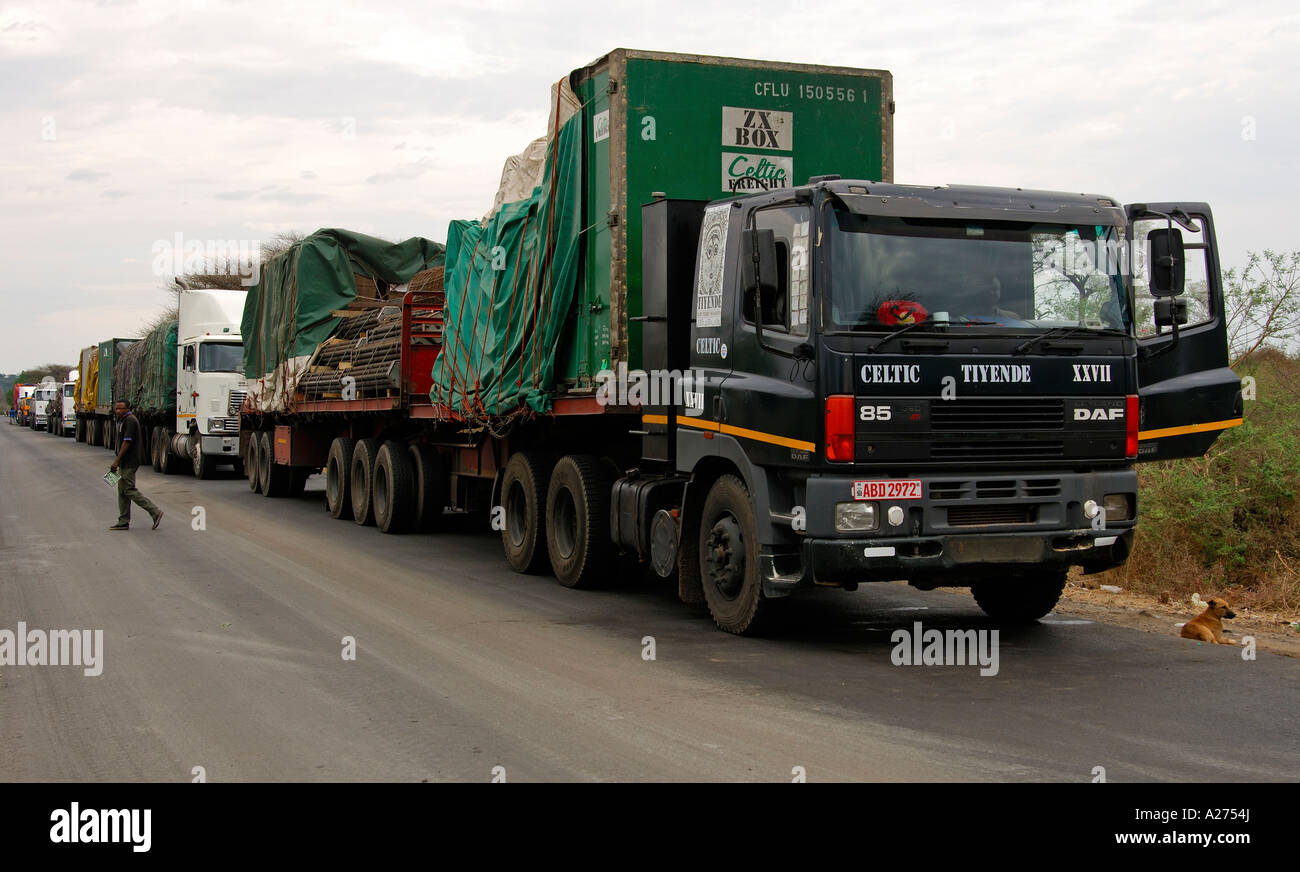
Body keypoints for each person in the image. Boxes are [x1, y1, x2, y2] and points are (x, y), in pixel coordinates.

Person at [108, 400, 163, 531]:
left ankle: (155, 512)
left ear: (128, 408)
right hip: (124, 462)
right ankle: (123, 521)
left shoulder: (130, 421)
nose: (118, 411)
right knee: (122, 491)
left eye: (121, 408)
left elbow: (126, 443)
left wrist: (116, 460)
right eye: (116, 409)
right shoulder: (122, 420)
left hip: (130, 461)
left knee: (129, 490)